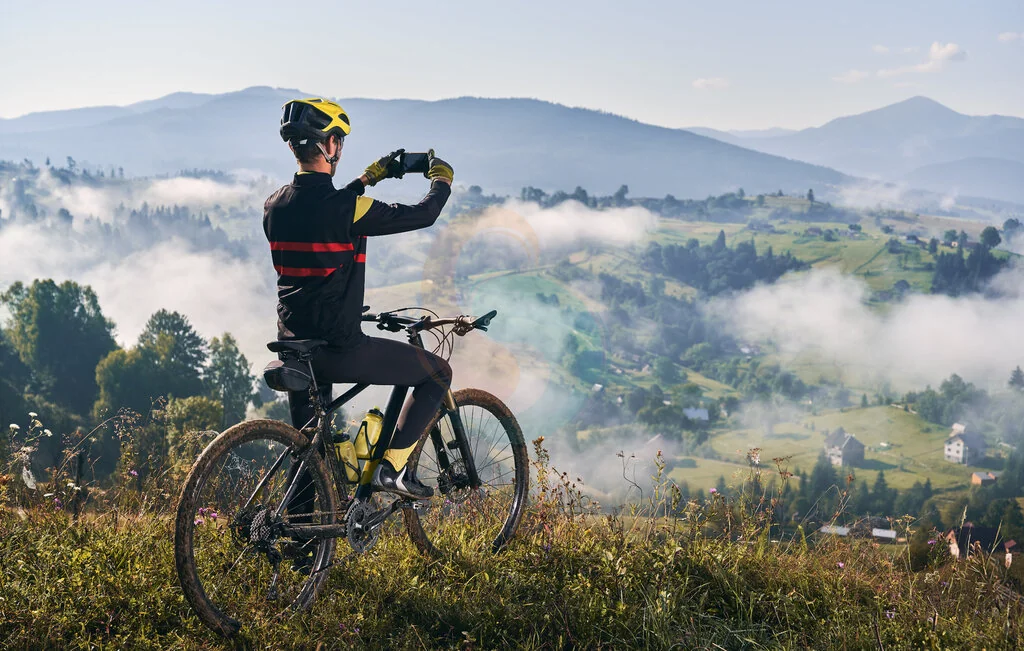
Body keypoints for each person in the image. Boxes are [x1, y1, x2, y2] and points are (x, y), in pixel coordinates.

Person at [264, 97, 454, 499]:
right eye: (340, 140)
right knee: (437, 373)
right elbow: (422, 215)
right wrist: (442, 181)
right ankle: (393, 470)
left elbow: (321, 210)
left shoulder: (274, 205)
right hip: (339, 349)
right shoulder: (347, 209)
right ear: (330, 145)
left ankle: (297, 537)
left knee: (308, 462)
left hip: (293, 349)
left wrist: (369, 178)